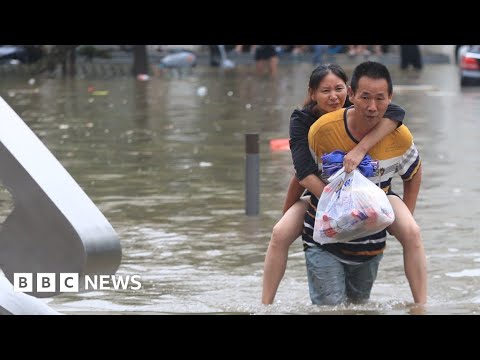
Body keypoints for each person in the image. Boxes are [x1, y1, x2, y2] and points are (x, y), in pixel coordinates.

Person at [262, 63, 406, 304]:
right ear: (312, 93)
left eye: (338, 89)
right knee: (279, 233)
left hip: (361, 192)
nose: (333, 96)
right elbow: (302, 172)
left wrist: (361, 149)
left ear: (348, 90)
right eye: (325, 91)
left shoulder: (357, 108)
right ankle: (265, 304)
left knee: (409, 233)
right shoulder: (302, 120)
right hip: (318, 192)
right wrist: (339, 202)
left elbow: (397, 112)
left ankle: (419, 303)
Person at [304, 61, 426, 305]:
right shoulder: (322, 130)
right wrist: (288, 215)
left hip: (370, 245)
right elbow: (301, 174)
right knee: (331, 309)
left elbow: (413, 173)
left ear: (390, 97)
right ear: (351, 94)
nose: (372, 107)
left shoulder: (400, 137)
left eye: (380, 99)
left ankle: (421, 306)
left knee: (360, 307)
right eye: (365, 97)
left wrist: (405, 216)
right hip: (325, 241)